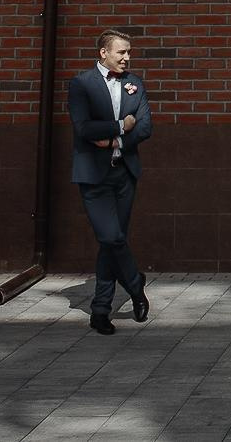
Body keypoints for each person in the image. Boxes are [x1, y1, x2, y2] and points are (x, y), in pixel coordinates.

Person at [70, 27, 154, 334]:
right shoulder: (81, 84)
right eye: (121, 52)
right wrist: (121, 125)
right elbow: (84, 129)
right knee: (111, 238)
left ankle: (100, 311)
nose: (127, 57)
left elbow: (144, 127)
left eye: (129, 52)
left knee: (113, 240)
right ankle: (135, 285)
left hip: (124, 175)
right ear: (103, 53)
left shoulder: (134, 83)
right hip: (94, 177)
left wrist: (115, 142)